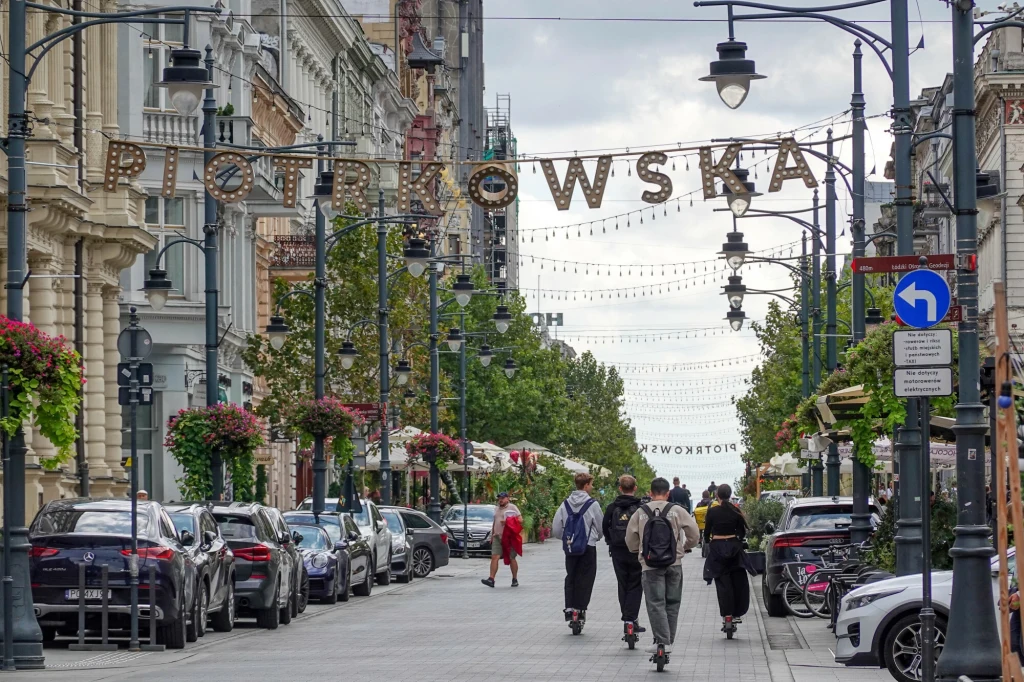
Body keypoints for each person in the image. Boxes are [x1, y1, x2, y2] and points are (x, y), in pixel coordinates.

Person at [625, 477, 699, 654]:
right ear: (668, 493)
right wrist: (684, 548)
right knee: (672, 603)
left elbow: (630, 540)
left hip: (650, 565)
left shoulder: (640, 512)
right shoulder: (677, 510)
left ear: (650, 493)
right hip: (674, 563)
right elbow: (694, 534)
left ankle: (661, 641)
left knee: (655, 603)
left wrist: (639, 551)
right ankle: (668, 641)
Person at [552, 473, 604, 624]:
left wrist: (566, 539)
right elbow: (600, 527)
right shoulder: (592, 504)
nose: (592, 487)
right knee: (586, 578)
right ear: (586, 485)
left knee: (571, 576)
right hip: (588, 546)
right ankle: (580, 609)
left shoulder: (565, 504)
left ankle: (569, 608)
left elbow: (556, 528)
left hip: (570, 546)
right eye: (591, 484)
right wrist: (596, 538)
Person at [703, 484, 753, 628]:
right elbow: (742, 533)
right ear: (730, 495)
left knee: (722, 583)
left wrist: (707, 540)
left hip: (718, 548)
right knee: (738, 580)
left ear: (717, 495)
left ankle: (727, 614)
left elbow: (707, 532)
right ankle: (737, 613)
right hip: (734, 547)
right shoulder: (736, 511)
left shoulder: (712, 512)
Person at [602, 474, 646, 634]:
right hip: (636, 550)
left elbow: (604, 527)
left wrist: (611, 541)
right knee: (636, 583)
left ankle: (627, 618)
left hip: (618, 550)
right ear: (635, 488)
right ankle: (631, 619)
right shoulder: (642, 508)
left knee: (623, 584)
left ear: (620, 488)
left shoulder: (612, 507)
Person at [482, 492, 521, 588]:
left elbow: (520, 520)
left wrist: (508, 521)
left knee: (512, 558)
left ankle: (514, 578)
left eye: (503, 498)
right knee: (495, 556)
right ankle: (491, 579)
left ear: (507, 499)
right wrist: (492, 534)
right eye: (499, 498)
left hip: (509, 537)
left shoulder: (512, 508)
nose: (501, 500)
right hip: (497, 536)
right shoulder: (496, 509)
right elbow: (495, 522)